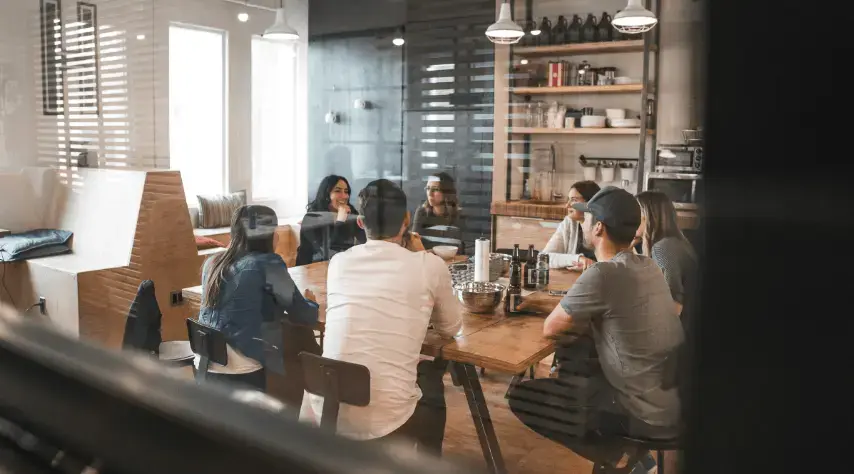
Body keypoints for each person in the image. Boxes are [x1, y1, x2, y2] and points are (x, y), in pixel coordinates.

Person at [507, 187, 684, 473]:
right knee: (582, 357)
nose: (583, 222)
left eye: (588, 218)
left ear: (599, 227)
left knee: (524, 397)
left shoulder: (603, 273)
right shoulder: (647, 265)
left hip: (640, 411)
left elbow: (551, 329)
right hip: (671, 398)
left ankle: (616, 455)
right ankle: (624, 453)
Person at [303, 179, 462, 455]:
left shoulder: (339, 263)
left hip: (326, 407)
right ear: (407, 220)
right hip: (387, 419)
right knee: (431, 379)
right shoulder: (429, 265)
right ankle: (428, 461)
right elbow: (451, 327)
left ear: (361, 223)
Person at [196, 205, 320, 393]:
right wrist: (312, 301)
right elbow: (303, 314)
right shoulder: (268, 264)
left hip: (205, 363)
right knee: (298, 342)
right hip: (240, 368)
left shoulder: (212, 263)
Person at [635, 191, 698, 319]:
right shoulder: (675, 242)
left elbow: (674, 306)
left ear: (648, 216)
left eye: (635, 213)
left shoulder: (663, 248)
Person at [296, 175, 366, 266]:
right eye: (337, 191)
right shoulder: (311, 218)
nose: (344, 196)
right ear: (326, 194)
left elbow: (365, 240)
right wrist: (340, 221)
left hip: (340, 267)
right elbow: (328, 252)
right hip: (311, 269)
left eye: (346, 191)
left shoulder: (350, 213)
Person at [542, 180, 600, 269]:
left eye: (573, 200)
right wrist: (578, 259)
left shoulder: (604, 226)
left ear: (590, 203)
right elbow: (543, 258)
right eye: (568, 199)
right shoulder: (568, 223)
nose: (567, 205)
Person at [411, 172, 463, 251]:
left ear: (447, 193)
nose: (430, 194)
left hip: (454, 262)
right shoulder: (422, 213)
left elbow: (465, 250)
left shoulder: (459, 215)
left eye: (435, 189)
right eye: (428, 188)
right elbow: (413, 245)